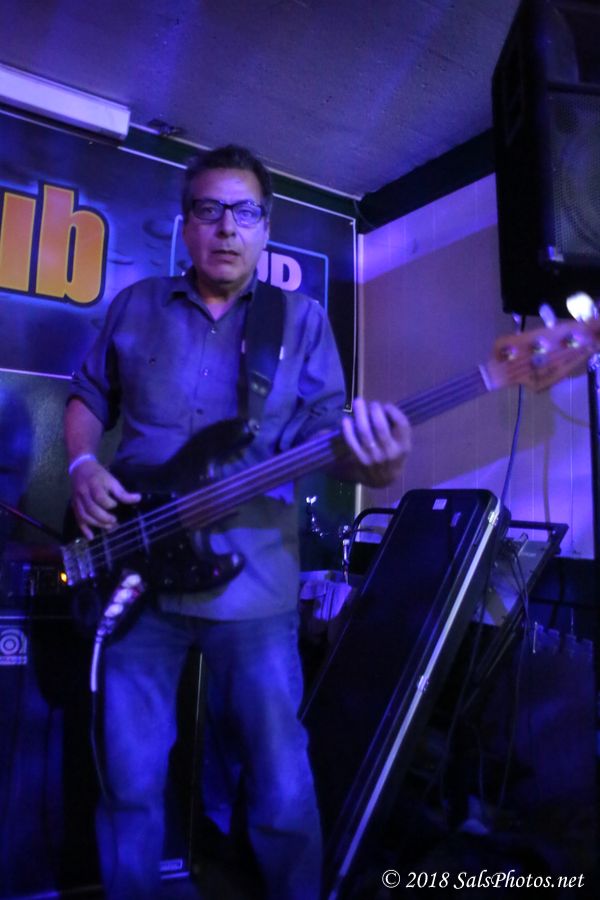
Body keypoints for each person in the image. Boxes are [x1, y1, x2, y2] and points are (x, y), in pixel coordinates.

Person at [64, 144, 411, 900]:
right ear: (185, 225)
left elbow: (329, 442)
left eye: (245, 211)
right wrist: (83, 466)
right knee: (127, 782)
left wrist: (373, 464)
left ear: (266, 227)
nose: (227, 227)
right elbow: (87, 397)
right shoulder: (134, 305)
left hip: (254, 590)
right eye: (209, 209)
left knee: (281, 788)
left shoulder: (301, 321)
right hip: (137, 583)